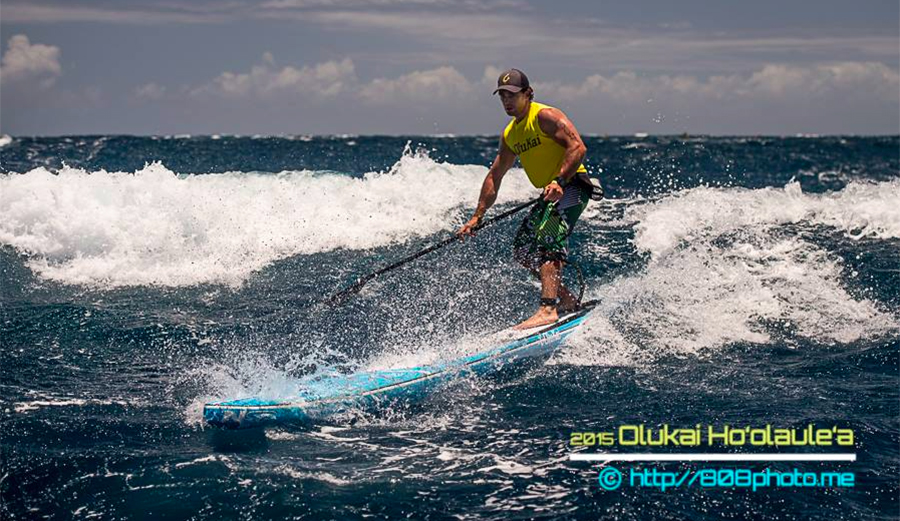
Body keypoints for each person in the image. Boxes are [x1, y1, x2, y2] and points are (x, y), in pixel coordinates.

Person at [457, 68, 595, 330]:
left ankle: (548, 309)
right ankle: (566, 300)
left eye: (512, 95)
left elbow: (578, 147)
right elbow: (495, 176)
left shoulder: (544, 116)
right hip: (550, 194)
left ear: (528, 94)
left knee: (548, 236)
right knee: (523, 249)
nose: (507, 102)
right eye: (502, 97)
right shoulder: (511, 134)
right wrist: (477, 216)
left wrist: (559, 181)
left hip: (572, 187)